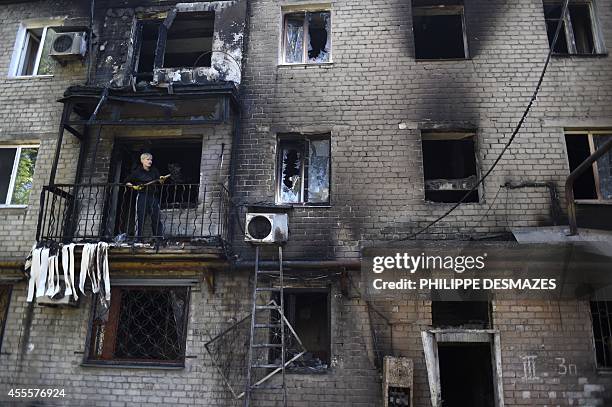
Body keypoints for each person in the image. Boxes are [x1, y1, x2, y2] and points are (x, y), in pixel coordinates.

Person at [125, 153, 170, 238]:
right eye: (148, 159)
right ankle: (139, 239)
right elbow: (127, 182)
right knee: (141, 218)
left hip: (153, 196)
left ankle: (158, 238)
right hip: (142, 196)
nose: (150, 161)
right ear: (142, 160)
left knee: (156, 218)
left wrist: (162, 179)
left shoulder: (154, 171)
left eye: (151, 159)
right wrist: (134, 187)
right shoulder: (137, 172)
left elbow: (160, 182)